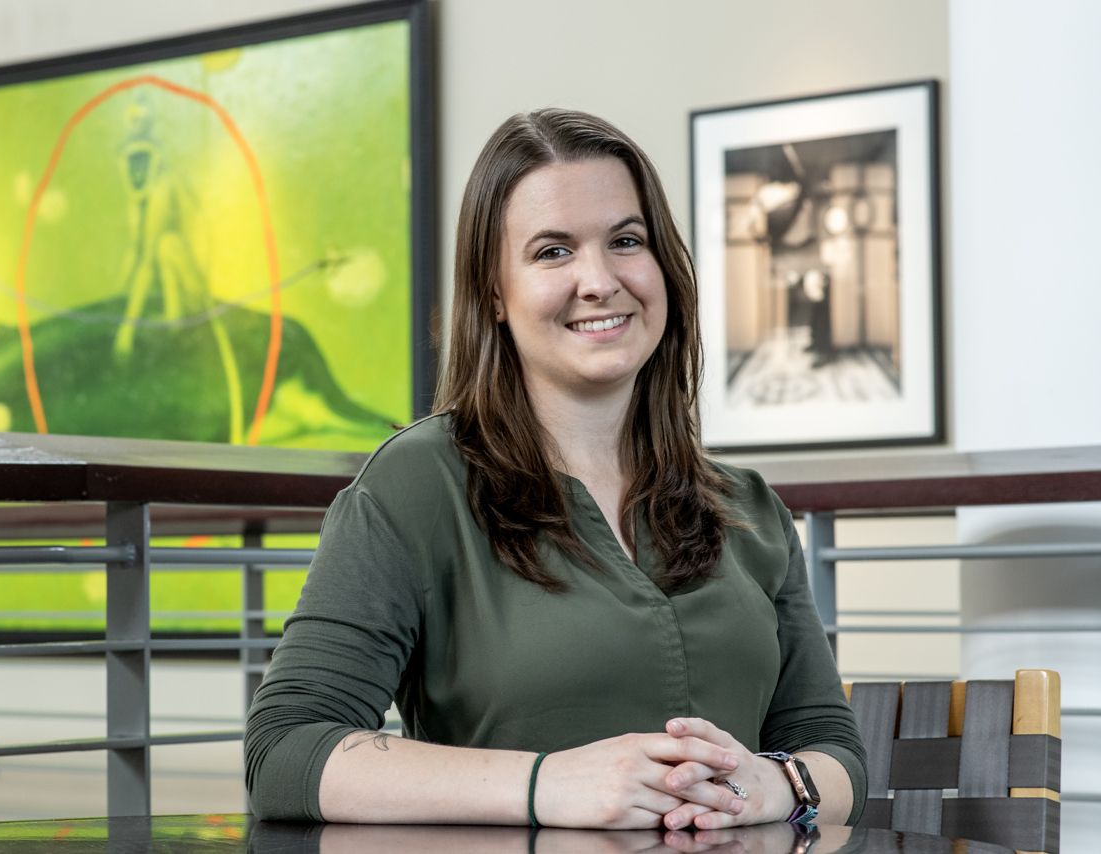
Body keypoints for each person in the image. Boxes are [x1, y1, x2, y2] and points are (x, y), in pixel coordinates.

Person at [244, 108, 865, 831]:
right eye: (552, 252)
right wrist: (546, 785)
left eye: (626, 242)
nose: (599, 280)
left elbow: (835, 748)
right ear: (495, 295)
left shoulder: (749, 505)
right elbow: (286, 751)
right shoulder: (415, 485)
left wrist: (778, 784)